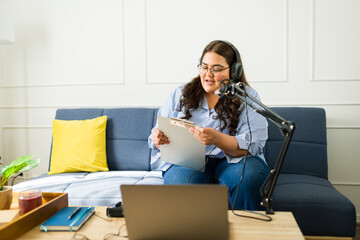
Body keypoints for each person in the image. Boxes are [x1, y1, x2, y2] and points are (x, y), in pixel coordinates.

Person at [148, 40, 270, 210]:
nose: (208, 74)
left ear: (234, 71)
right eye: (204, 67)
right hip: (188, 162)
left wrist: (217, 139)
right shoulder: (180, 93)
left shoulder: (247, 96)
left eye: (217, 69)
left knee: (248, 178)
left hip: (234, 160)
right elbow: (156, 132)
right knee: (180, 184)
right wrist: (157, 137)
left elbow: (254, 144)